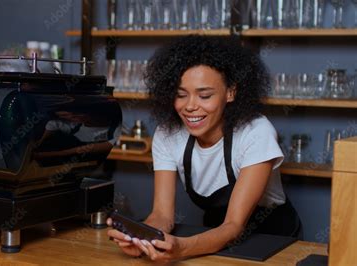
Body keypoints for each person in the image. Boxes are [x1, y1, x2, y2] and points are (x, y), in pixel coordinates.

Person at [107, 35, 301, 262]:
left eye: (205, 95)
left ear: (231, 92)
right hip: (212, 238)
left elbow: (233, 225)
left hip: (273, 239)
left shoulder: (256, 132)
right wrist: (143, 239)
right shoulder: (168, 134)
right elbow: (162, 215)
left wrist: (182, 249)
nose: (190, 106)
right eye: (180, 95)